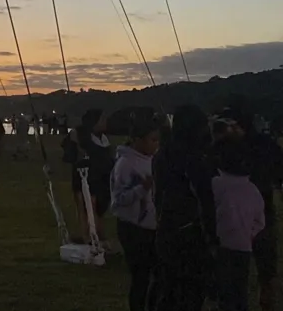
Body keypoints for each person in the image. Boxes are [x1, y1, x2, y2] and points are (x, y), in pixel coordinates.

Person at [153, 104, 217, 311]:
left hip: (165, 228)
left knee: (168, 289)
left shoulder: (162, 154)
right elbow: (205, 198)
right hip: (190, 232)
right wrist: (212, 237)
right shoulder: (194, 159)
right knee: (190, 292)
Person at [111, 116, 160, 311]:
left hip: (151, 225)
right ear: (137, 140)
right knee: (141, 277)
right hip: (133, 227)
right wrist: (143, 188)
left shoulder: (153, 160)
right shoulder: (125, 164)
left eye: (158, 140)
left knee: (158, 274)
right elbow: (119, 199)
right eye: (152, 140)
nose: (156, 144)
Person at [212, 139, 265, 311]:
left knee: (224, 290)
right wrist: (249, 233)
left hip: (221, 245)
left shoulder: (217, 184)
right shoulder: (253, 190)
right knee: (239, 290)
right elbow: (260, 221)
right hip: (243, 247)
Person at [73, 109, 115, 248]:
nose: (105, 122)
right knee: (87, 208)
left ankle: (96, 235)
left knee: (99, 209)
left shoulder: (104, 140)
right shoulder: (84, 141)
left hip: (102, 180)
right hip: (86, 179)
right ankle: (89, 236)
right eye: (102, 120)